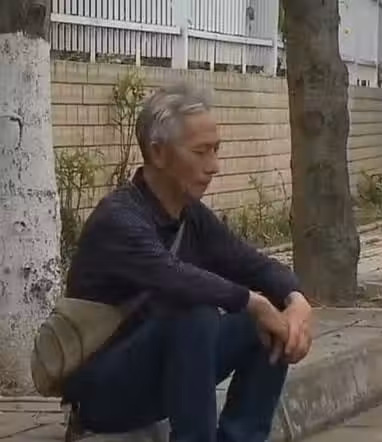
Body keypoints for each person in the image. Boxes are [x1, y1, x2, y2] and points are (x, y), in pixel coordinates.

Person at [61, 83, 313, 442]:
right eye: (200, 152)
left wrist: (295, 300)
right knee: (195, 310)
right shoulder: (118, 219)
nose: (214, 166)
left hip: (163, 375)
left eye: (216, 150)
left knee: (269, 323)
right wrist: (253, 302)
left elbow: (254, 264)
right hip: (104, 393)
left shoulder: (190, 215)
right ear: (158, 152)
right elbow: (174, 277)